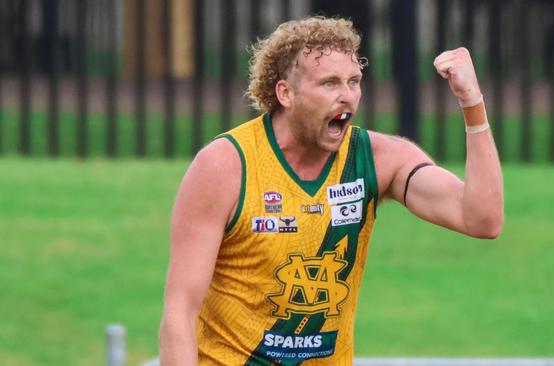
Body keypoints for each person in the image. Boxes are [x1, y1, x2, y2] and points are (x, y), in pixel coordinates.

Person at [159, 16, 503, 366]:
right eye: (329, 83)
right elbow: (180, 311)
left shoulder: (376, 159)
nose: (347, 96)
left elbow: (482, 219)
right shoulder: (225, 166)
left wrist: (471, 101)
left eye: (354, 82)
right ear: (286, 93)